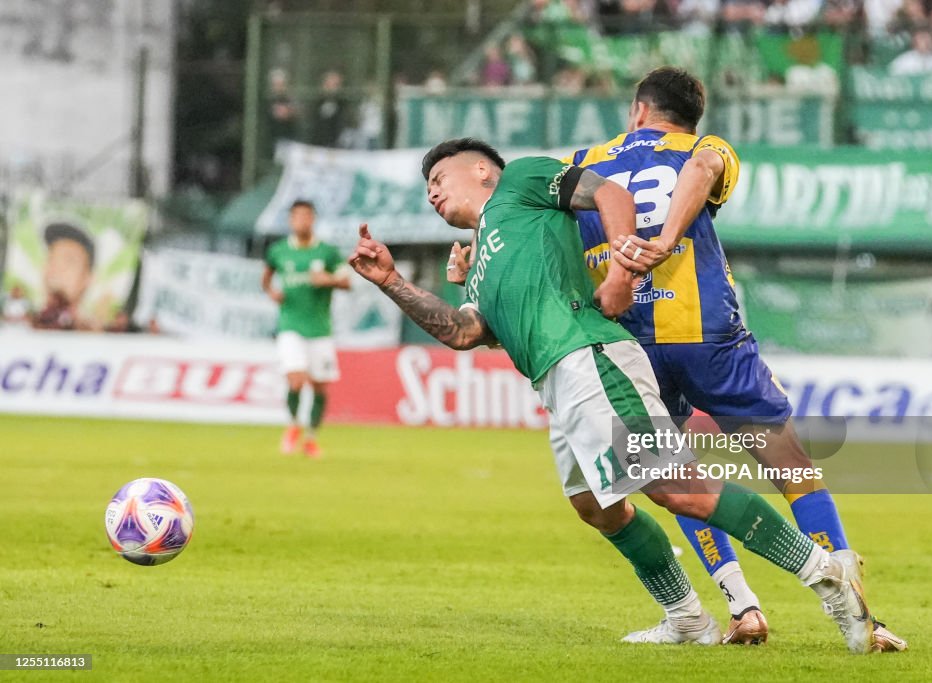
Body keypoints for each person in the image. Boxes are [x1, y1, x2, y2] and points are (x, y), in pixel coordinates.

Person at [349, 137, 884, 653]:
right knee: (596, 506)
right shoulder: (480, 264)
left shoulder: (520, 182)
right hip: (558, 384)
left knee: (676, 488)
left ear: (483, 170)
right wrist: (390, 280)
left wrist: (625, 271)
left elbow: (611, 194)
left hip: (590, 357)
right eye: (427, 189)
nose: (432, 194)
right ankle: (688, 620)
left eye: (439, 178)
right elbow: (463, 332)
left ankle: (826, 574)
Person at [550, 66, 906, 651]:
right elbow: (701, 168)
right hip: (707, 335)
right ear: (692, 116)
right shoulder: (706, 146)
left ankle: (743, 608)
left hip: (624, 341)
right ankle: (858, 615)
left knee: (675, 476)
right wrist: (666, 239)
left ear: (638, 110)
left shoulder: (582, 159)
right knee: (791, 466)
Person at [262, 200, 350, 458]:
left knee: (320, 387)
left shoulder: (328, 252)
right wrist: (271, 292)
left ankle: (311, 438)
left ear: (313, 220)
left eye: (307, 216)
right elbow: (266, 275)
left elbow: (347, 281)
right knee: (296, 378)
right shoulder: (278, 251)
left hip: (320, 328)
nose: (302, 221)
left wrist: (330, 280)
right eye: (297, 216)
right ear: (290, 220)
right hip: (290, 325)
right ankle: (293, 426)